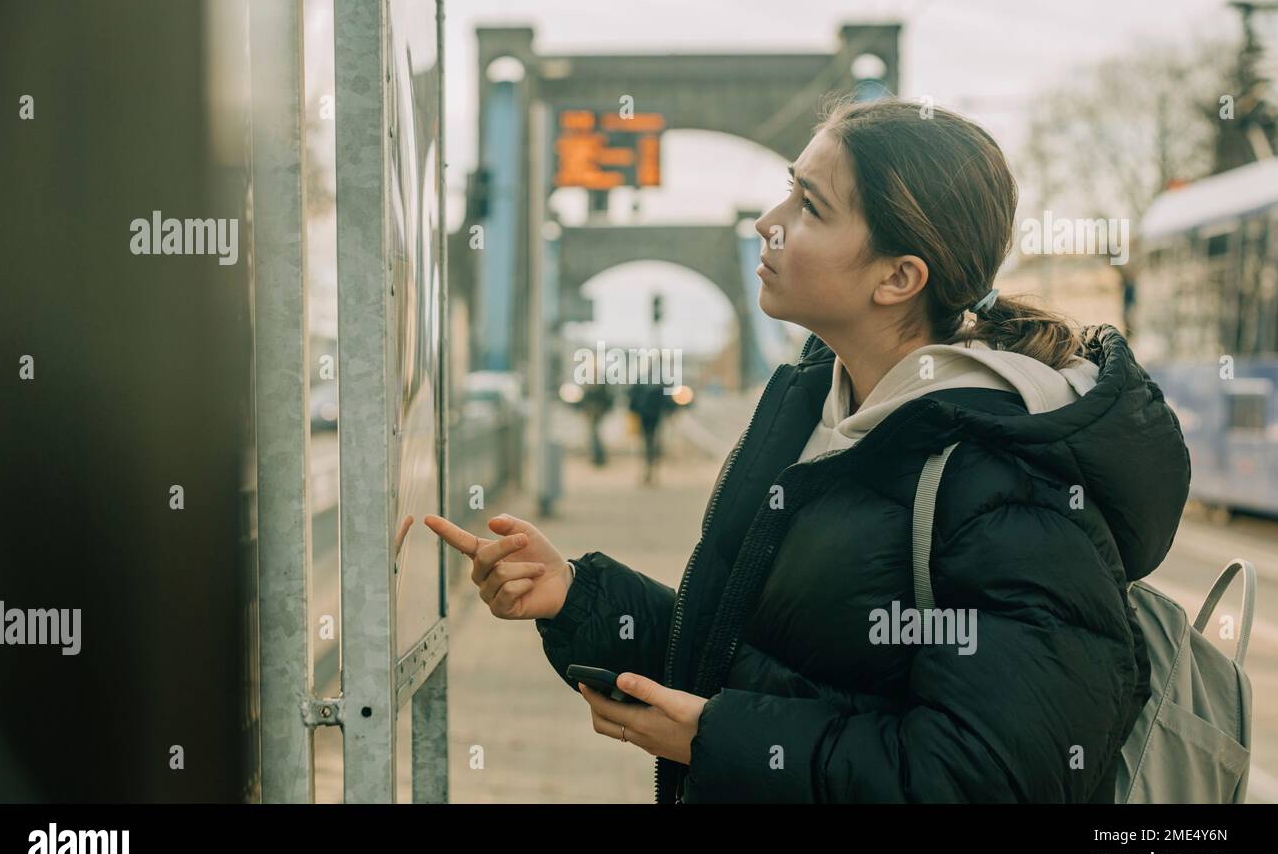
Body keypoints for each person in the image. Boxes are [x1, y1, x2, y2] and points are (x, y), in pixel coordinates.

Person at [415, 96, 1189, 803]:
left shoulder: (1008, 482)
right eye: (788, 187)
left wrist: (717, 741)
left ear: (898, 277)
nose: (765, 221)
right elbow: (752, 665)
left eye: (808, 206)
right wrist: (577, 595)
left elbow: (987, 780)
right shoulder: (811, 410)